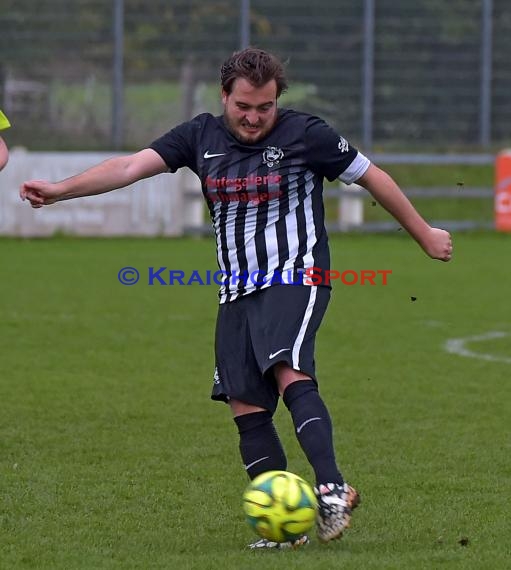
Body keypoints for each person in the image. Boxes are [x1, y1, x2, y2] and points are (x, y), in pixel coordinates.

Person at [20, 48, 453, 549]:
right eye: (243, 106)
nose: (252, 117)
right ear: (224, 96)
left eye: (264, 107)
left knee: (288, 367)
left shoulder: (306, 134)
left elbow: (371, 175)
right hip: (236, 289)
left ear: (277, 102)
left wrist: (423, 234)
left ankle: (332, 489)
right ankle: (283, 526)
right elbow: (128, 166)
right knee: (244, 403)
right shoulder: (199, 136)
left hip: (296, 274)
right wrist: (59, 191)